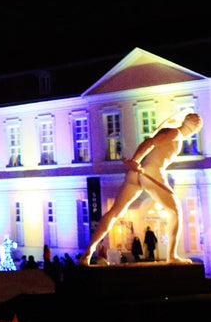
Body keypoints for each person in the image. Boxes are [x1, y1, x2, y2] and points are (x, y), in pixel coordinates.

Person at [83, 112, 203, 264]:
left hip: (135, 174)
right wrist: (135, 160)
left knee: (115, 212)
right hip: (151, 171)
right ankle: (171, 256)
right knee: (175, 211)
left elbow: (151, 144)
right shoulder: (175, 133)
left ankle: (87, 253)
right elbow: (149, 143)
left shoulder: (171, 131)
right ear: (193, 129)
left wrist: (136, 163)